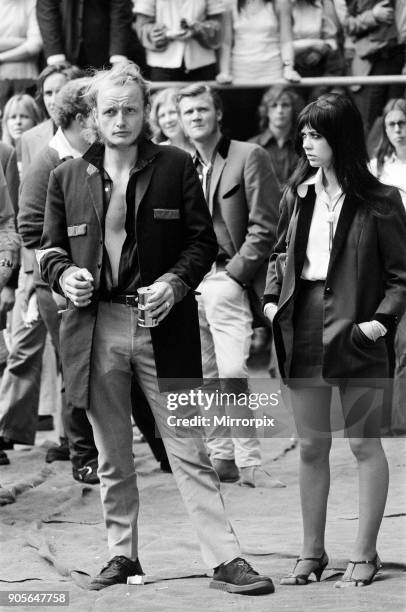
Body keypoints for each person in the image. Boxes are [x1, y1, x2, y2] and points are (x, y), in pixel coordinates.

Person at [38, 62, 275, 594]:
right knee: (111, 453)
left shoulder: (174, 165)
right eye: (109, 111)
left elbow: (204, 242)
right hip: (95, 326)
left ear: (146, 112)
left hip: (162, 325)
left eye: (130, 108)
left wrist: (174, 283)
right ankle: (123, 555)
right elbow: (48, 248)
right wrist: (67, 273)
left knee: (188, 447)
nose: (120, 119)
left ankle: (225, 559)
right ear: (93, 119)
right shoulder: (65, 176)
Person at [264, 93, 406, 587]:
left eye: (315, 134)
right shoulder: (296, 194)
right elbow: (279, 254)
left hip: (359, 331)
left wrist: (380, 322)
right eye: (303, 133)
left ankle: (365, 554)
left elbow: (401, 276)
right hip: (302, 328)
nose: (305, 143)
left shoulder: (382, 200)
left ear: (340, 139)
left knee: (365, 445)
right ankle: (311, 552)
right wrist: (269, 300)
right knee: (309, 446)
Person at [177, 83, 282, 488]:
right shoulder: (182, 163)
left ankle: (250, 460)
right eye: (188, 113)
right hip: (191, 280)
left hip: (230, 277)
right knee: (203, 375)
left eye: (203, 110)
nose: (196, 118)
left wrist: (234, 276)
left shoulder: (248, 155)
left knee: (234, 368)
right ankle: (222, 456)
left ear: (218, 114)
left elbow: (265, 227)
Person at [370, 98, 406, 434]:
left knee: (404, 344)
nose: (398, 130)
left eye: (403, 123)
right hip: (386, 261)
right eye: (392, 124)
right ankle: (383, 418)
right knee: (383, 339)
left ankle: (400, 422)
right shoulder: (376, 167)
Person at [345, 0, 405, 132]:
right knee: (368, 122)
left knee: (396, 118)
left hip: (399, 60)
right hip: (372, 61)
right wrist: (373, 15)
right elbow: (347, 25)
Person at [36, 0, 143, 70]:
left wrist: (118, 58)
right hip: (64, 53)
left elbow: (121, 10)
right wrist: (56, 58)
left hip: (105, 55)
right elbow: (47, 11)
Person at [134, 0, 224, 81]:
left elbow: (218, 24)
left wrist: (199, 29)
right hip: (163, 66)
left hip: (202, 64)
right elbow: (142, 25)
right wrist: (159, 34)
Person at [249, 85, 304, 195]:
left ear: (293, 109)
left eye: (285, 105)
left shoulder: (305, 144)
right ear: (266, 111)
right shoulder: (251, 146)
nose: (280, 110)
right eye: (274, 105)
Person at [0, 0, 42, 80]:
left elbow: (35, 44)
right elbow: (31, 43)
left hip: (23, 74)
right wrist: (22, 42)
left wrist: (2, 57)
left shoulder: (31, 3)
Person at [1, 94, 42, 175]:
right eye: (13, 117)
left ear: (35, 120)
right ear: (6, 122)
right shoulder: (2, 154)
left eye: (24, 116)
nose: (18, 122)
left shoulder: (43, 155)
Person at [150, 87, 194, 154]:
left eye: (172, 112)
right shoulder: (156, 153)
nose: (168, 120)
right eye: (162, 116)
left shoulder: (201, 148)